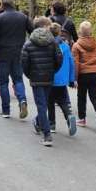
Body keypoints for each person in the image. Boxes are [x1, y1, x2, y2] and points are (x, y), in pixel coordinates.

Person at [0, 0, 32, 119]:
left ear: (2, 5)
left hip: (2, 54)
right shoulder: (23, 17)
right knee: (18, 79)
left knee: (3, 82)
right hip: (19, 52)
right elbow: (33, 31)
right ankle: (22, 100)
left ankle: (6, 110)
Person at [22, 17, 63, 146]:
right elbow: (59, 59)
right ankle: (39, 123)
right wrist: (53, 71)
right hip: (48, 77)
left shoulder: (28, 43)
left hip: (36, 78)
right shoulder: (53, 42)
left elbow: (24, 62)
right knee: (43, 104)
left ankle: (47, 135)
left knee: (41, 105)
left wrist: (30, 75)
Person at [72, 21, 96, 133]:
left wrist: (75, 78)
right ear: (90, 31)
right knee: (94, 96)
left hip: (83, 74)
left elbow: (76, 63)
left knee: (81, 96)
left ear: (80, 32)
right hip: (94, 73)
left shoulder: (76, 45)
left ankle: (82, 119)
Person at [48, 22, 77, 136]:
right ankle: (69, 116)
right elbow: (71, 63)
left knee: (50, 102)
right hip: (62, 80)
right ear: (60, 33)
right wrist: (71, 79)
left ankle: (52, 124)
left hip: (50, 79)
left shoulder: (48, 46)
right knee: (63, 101)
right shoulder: (65, 46)